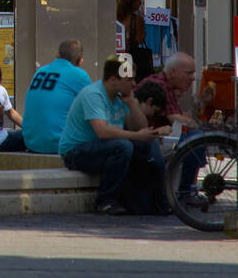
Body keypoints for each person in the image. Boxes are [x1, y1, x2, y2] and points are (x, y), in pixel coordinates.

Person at [60, 57, 171, 215]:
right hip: (75, 152)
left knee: (148, 143)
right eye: (129, 79)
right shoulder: (93, 95)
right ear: (113, 79)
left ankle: (160, 200)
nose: (134, 84)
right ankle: (105, 201)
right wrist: (137, 136)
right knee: (124, 145)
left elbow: (141, 127)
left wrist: (132, 103)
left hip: (104, 147)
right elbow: (102, 131)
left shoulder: (121, 97)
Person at [135, 53, 213, 204]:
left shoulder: (168, 86)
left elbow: (180, 118)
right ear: (172, 72)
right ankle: (186, 191)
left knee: (193, 135)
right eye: (188, 73)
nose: (192, 78)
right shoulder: (160, 85)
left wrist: (201, 102)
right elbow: (178, 120)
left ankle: (186, 188)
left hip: (159, 135)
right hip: (148, 136)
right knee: (193, 138)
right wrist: (197, 123)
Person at [21, 40, 92, 154]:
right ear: (80, 61)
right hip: (59, 145)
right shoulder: (80, 75)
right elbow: (94, 111)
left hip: (31, 143)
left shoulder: (40, 71)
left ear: (57, 55)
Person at [116, 0, 152, 81]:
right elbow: (141, 38)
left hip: (115, 55)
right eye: (139, 1)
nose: (140, 4)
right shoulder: (137, 19)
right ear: (132, 2)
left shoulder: (115, 17)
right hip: (131, 56)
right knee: (127, 81)